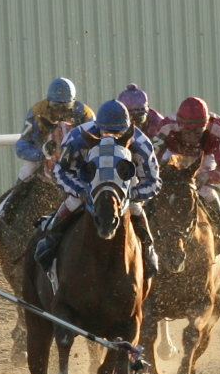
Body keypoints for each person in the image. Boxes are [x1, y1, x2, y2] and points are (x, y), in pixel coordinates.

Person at [34, 97, 161, 275]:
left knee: (135, 208)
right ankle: (49, 241)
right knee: (73, 203)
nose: (111, 139)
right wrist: (79, 191)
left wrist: (132, 193)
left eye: (117, 134)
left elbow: (154, 181)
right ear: (97, 127)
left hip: (124, 187)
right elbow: (60, 172)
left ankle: (148, 250)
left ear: (125, 131)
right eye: (106, 132)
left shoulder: (140, 143)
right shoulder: (77, 138)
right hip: (86, 182)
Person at [150, 95, 220, 254]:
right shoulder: (166, 127)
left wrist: (207, 176)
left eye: (197, 132)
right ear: (179, 125)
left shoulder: (217, 128)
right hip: (173, 156)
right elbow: (151, 162)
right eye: (187, 131)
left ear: (205, 125)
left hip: (204, 157)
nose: (191, 137)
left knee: (206, 192)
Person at [13, 77, 94, 183]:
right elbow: (21, 146)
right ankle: (15, 198)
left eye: (66, 105)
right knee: (28, 169)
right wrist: (41, 153)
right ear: (48, 102)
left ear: (73, 102)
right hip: (42, 156)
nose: (60, 111)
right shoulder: (36, 113)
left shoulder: (85, 114)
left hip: (76, 157)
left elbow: (95, 145)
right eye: (55, 105)